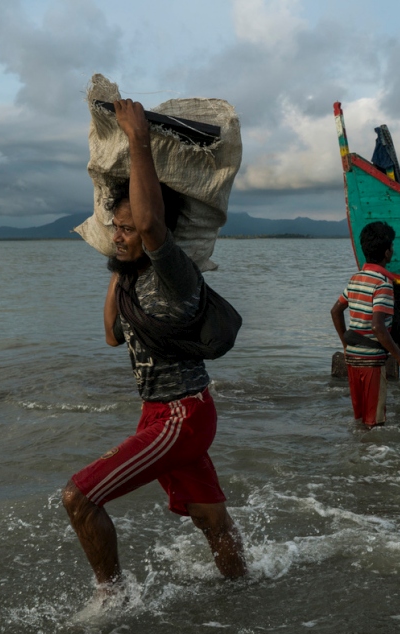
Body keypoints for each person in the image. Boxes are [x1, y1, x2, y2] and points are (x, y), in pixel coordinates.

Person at [62, 98, 246, 600]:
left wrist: (139, 140)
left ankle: (112, 598)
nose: (120, 236)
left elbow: (150, 226)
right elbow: (110, 334)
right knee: (211, 520)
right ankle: (245, 592)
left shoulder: (175, 275)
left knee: (79, 497)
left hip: (181, 415)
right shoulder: (131, 278)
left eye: (128, 230)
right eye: (115, 228)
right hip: (160, 413)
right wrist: (116, 258)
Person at [331, 222, 400, 427]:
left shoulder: (356, 279)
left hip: (353, 359)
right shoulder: (383, 284)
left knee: (360, 419)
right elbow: (378, 327)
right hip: (371, 362)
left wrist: (346, 347)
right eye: (392, 247)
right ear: (387, 252)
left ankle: (357, 456)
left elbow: (335, 311)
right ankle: (373, 457)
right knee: (375, 423)